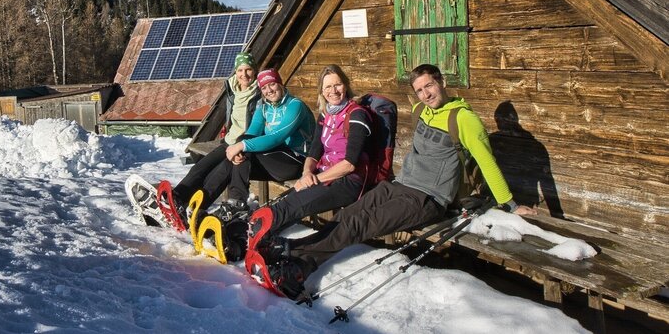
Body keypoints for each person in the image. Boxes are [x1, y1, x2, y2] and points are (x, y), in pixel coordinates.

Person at [265, 64, 537, 299]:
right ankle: (293, 250)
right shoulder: (421, 110)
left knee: (359, 224)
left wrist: (510, 205)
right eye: (419, 90)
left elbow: (487, 162)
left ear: (442, 82)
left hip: (428, 198)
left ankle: (299, 267)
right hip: (399, 185)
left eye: (429, 85)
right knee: (350, 214)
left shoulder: (464, 119)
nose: (426, 94)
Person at [246, 65, 380, 250]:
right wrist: (307, 172)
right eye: (327, 87)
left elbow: (349, 164)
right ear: (322, 92)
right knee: (286, 201)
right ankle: (260, 237)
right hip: (324, 174)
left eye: (337, 85)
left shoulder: (357, 114)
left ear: (346, 86)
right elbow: (314, 151)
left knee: (294, 204)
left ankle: (261, 239)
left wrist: (314, 179)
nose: (333, 91)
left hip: (349, 181)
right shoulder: (325, 114)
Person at [201, 67, 315, 219]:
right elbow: (251, 133)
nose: (269, 90)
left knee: (244, 150)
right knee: (235, 159)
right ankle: (202, 204)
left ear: (280, 84)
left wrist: (241, 146)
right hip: (273, 158)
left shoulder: (295, 105)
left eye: (272, 84)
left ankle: (237, 204)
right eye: (264, 87)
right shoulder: (264, 108)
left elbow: (277, 137)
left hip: (296, 160)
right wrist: (239, 148)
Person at [167, 52, 261, 222]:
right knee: (201, 167)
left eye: (248, 70)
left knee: (218, 174)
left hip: (245, 144)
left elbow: (258, 127)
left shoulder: (260, 95)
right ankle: (177, 199)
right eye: (240, 70)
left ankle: (197, 209)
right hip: (228, 141)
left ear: (254, 71)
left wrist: (242, 146)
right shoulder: (231, 89)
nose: (244, 75)